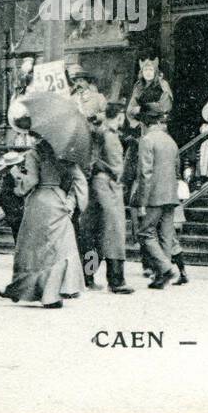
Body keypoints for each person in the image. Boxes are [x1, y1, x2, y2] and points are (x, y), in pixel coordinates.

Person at [0, 140, 86, 308]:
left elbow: (31, 181)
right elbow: (79, 179)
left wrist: (18, 182)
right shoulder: (67, 152)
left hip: (40, 201)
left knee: (32, 248)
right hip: (59, 200)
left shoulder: (35, 152)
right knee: (59, 248)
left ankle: (22, 289)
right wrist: (71, 202)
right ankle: (55, 293)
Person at [134, 101, 183, 289]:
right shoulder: (170, 140)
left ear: (145, 122)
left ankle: (165, 268)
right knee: (165, 236)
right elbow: (177, 169)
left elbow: (145, 174)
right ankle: (161, 276)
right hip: (171, 194)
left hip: (153, 196)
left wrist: (142, 202)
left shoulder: (146, 140)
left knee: (145, 233)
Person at [87, 97, 132, 294]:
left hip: (95, 185)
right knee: (114, 232)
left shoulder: (98, 132)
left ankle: (87, 276)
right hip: (109, 186)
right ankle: (116, 280)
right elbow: (117, 167)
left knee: (94, 234)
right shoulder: (111, 136)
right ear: (120, 116)